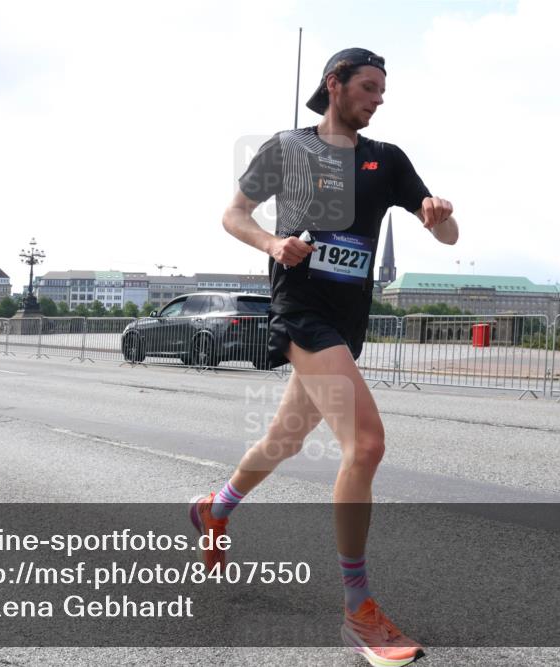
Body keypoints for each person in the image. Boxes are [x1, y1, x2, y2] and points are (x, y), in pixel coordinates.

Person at [189, 47, 457, 666]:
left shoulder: (387, 160)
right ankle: (357, 610)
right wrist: (270, 241)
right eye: (368, 86)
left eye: (383, 89)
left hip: (347, 322)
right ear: (334, 85)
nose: (379, 97)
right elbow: (233, 214)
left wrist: (440, 217)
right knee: (365, 445)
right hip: (302, 314)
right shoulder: (288, 148)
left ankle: (213, 508)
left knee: (281, 441)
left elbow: (444, 232)